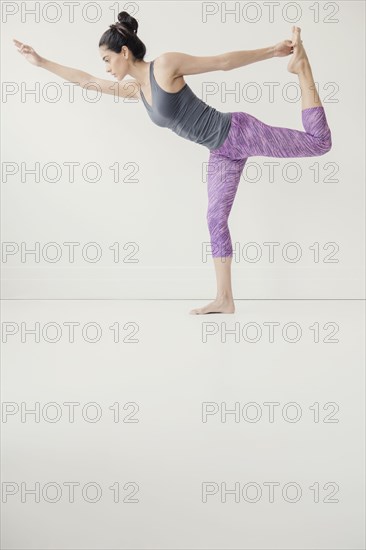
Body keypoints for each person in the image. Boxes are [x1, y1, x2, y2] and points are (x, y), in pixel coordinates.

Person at [13, 11, 332, 315]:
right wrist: (41, 62)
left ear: (124, 52)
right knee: (214, 219)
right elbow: (86, 81)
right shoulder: (136, 90)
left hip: (237, 132)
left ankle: (302, 68)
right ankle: (224, 299)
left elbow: (221, 62)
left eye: (107, 60)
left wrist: (272, 50)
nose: (106, 68)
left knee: (319, 143)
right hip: (221, 151)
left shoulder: (164, 66)